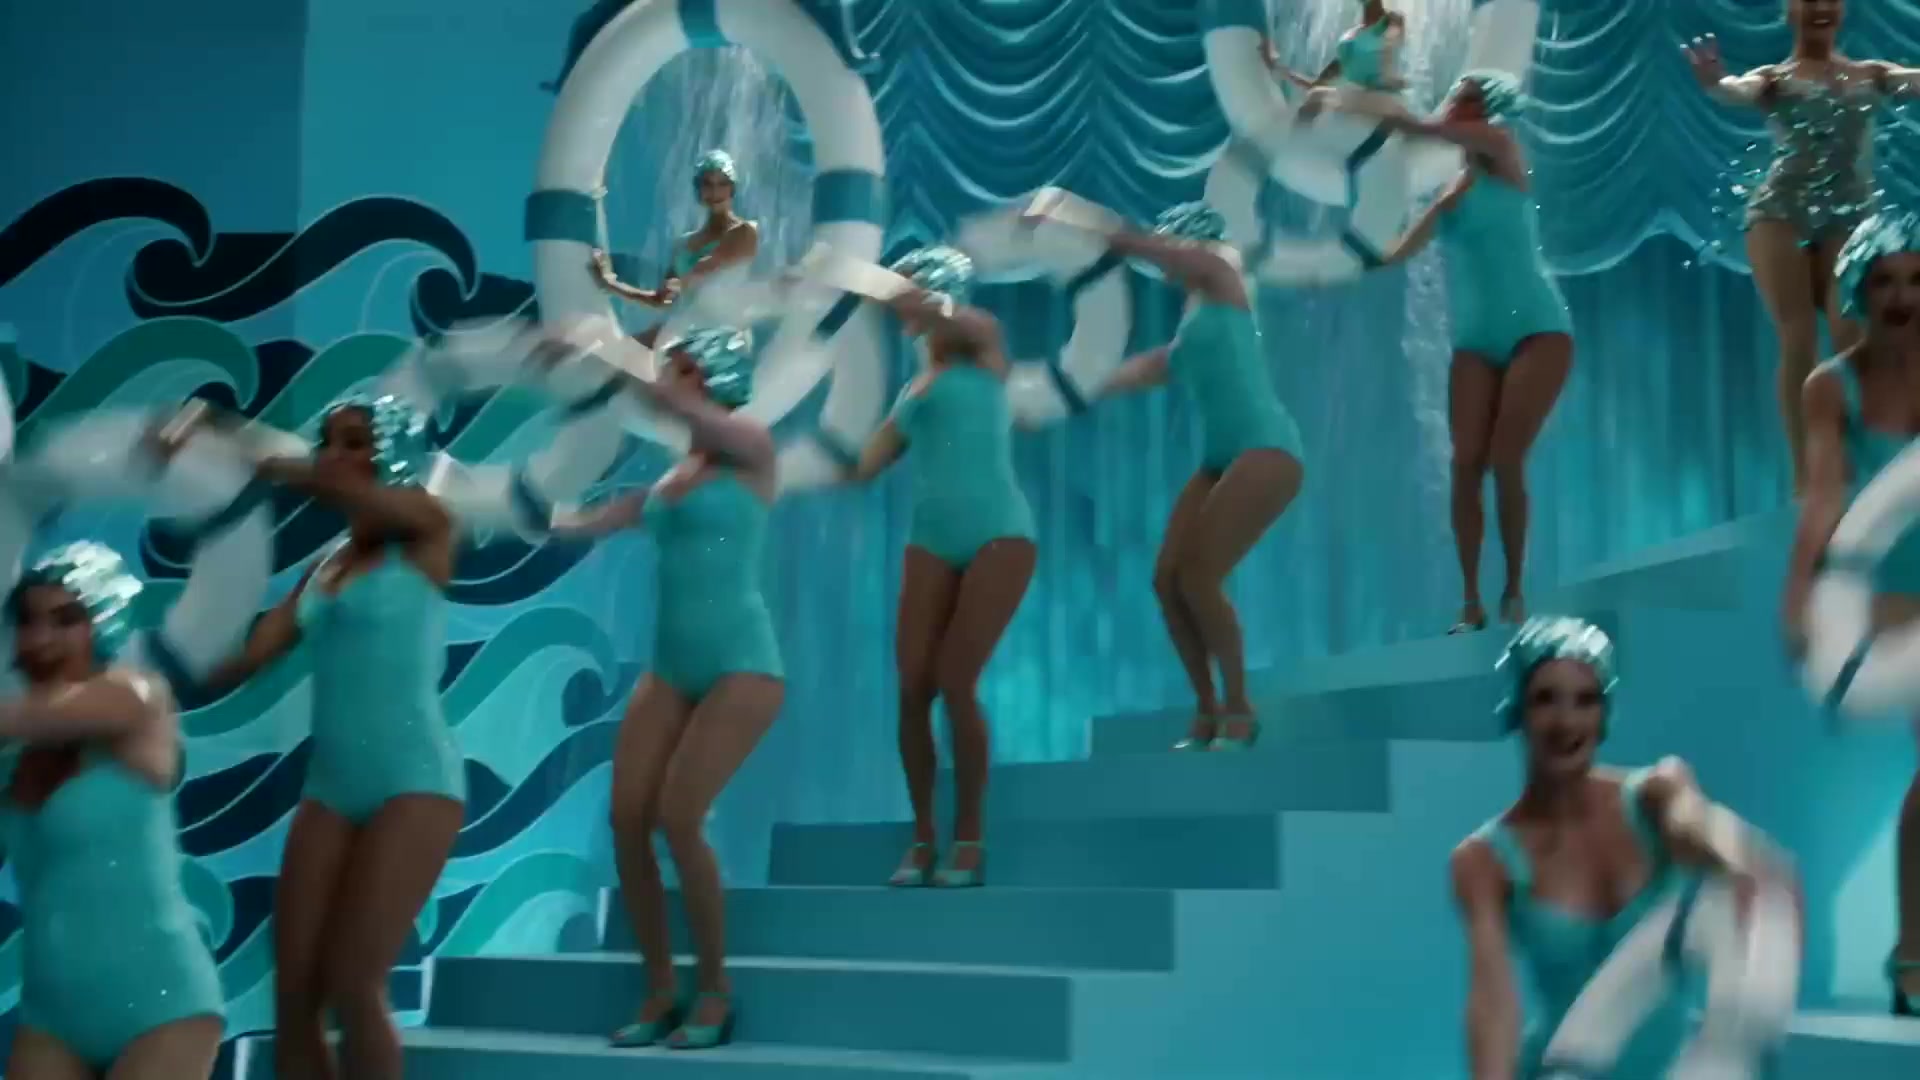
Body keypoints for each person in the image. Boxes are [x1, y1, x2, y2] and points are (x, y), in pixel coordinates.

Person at [162, 393, 465, 1080]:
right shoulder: (326, 567)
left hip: (415, 780)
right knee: (295, 996)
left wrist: (219, 431)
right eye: (329, 441)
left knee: (356, 984)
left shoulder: (429, 528)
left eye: (356, 441)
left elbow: (322, 482)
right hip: (331, 787)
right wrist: (153, 666)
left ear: (393, 453)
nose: (336, 456)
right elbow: (244, 660)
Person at [544, 326, 782, 1049]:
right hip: (672, 669)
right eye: (668, 370)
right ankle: (658, 986)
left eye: (680, 370)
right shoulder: (672, 480)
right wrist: (538, 513)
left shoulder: (750, 446)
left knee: (679, 819)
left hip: (742, 663)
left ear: (711, 379)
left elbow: (670, 406)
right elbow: (594, 520)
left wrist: (601, 356)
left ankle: (715, 989)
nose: (668, 382)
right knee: (628, 820)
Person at [1451, 616, 1801, 1077]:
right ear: (1518, 709)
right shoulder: (1484, 860)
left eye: (1586, 700)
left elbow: (1697, 826)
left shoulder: (1655, 796)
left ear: (1604, 712)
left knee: (1741, 898)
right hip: (1564, 1069)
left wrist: (1738, 862)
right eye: (1545, 699)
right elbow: (1493, 1003)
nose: (1566, 721)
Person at [844, 246, 1034, 889]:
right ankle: (924, 837)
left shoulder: (985, 350)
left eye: (913, 292)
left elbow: (958, 318)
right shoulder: (913, 390)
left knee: (956, 681)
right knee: (912, 691)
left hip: (999, 535)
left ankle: (970, 837)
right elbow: (865, 466)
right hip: (931, 541)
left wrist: (862, 277)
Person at [0, 542, 225, 1079]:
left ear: (102, 624)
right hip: (52, 1014)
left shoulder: (136, 698)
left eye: (66, 620)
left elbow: (33, 717)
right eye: (29, 621)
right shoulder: (15, 756)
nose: (41, 639)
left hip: (163, 1003)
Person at [1683, 1, 1920, 490]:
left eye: (1829, 1)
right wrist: (1715, 83)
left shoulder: (1871, 75)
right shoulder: (1777, 79)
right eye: (1809, 2)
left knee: (1851, 334)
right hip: (1780, 214)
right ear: (1790, 11)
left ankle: (1864, 460)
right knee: (1798, 338)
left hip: (1848, 219)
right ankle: (1805, 475)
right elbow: (1738, 90)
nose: (1820, 10)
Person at [1096, 203, 1305, 751]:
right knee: (1168, 580)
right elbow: (1160, 365)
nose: (1164, 267)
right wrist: (1087, 384)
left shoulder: (1223, 268)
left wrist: (1085, 224)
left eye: (1172, 249)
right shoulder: (1197, 310)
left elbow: (1150, 250)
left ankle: (1240, 708)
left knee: (1199, 575)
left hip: (1266, 446)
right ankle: (1207, 709)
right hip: (1220, 458)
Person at [1374, 71, 1573, 634]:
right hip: (1477, 338)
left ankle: (1513, 591)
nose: (1458, 110)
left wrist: (1384, 112)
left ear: (1489, 113)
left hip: (1538, 327)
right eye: (1457, 100)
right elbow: (1399, 252)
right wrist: (1352, 253)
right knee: (1465, 465)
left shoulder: (1505, 153)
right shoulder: (1449, 196)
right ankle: (1470, 603)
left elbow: (1432, 130)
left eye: (1470, 103)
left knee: (1507, 457)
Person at [1782, 210, 1920, 1016]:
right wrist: (1800, 600)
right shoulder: (1832, 386)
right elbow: (1824, 501)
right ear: (1861, 293)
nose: (1902, 297)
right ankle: (1912, 955)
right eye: (1886, 282)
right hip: (1894, 593)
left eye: (1915, 282)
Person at [591, 149, 760, 348]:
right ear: (698, 189)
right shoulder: (683, 244)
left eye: (722, 184)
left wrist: (678, 285)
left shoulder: (745, 232)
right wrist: (611, 284)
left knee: (652, 344)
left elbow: (702, 271)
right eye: (707, 184)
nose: (715, 192)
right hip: (688, 333)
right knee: (621, 349)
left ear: (732, 189)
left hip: (726, 340)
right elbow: (661, 300)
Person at [1263, 0, 1409, 123]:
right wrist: (1279, 69)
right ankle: (1297, 144)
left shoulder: (1391, 20)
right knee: (1314, 98)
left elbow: (1392, 36)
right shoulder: (1350, 42)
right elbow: (1314, 85)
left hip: (1387, 100)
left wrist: (1388, 72)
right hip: (1366, 101)